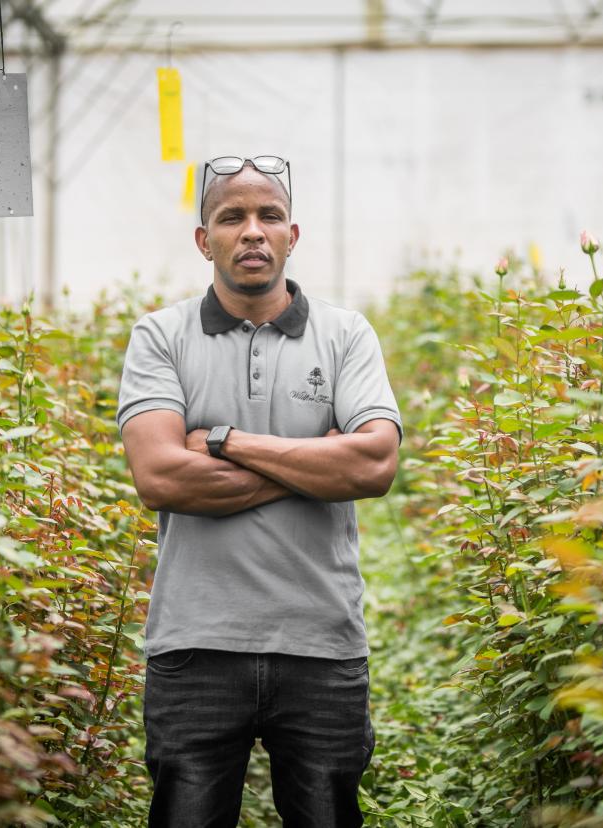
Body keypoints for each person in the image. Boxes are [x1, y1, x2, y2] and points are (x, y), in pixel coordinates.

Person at [116, 155, 402, 827]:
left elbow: (375, 466)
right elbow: (158, 475)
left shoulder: (345, 335)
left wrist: (224, 441)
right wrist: (316, 463)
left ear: (292, 235)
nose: (252, 231)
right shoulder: (161, 336)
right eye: (231, 217)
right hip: (195, 648)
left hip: (323, 646)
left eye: (269, 216)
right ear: (203, 240)